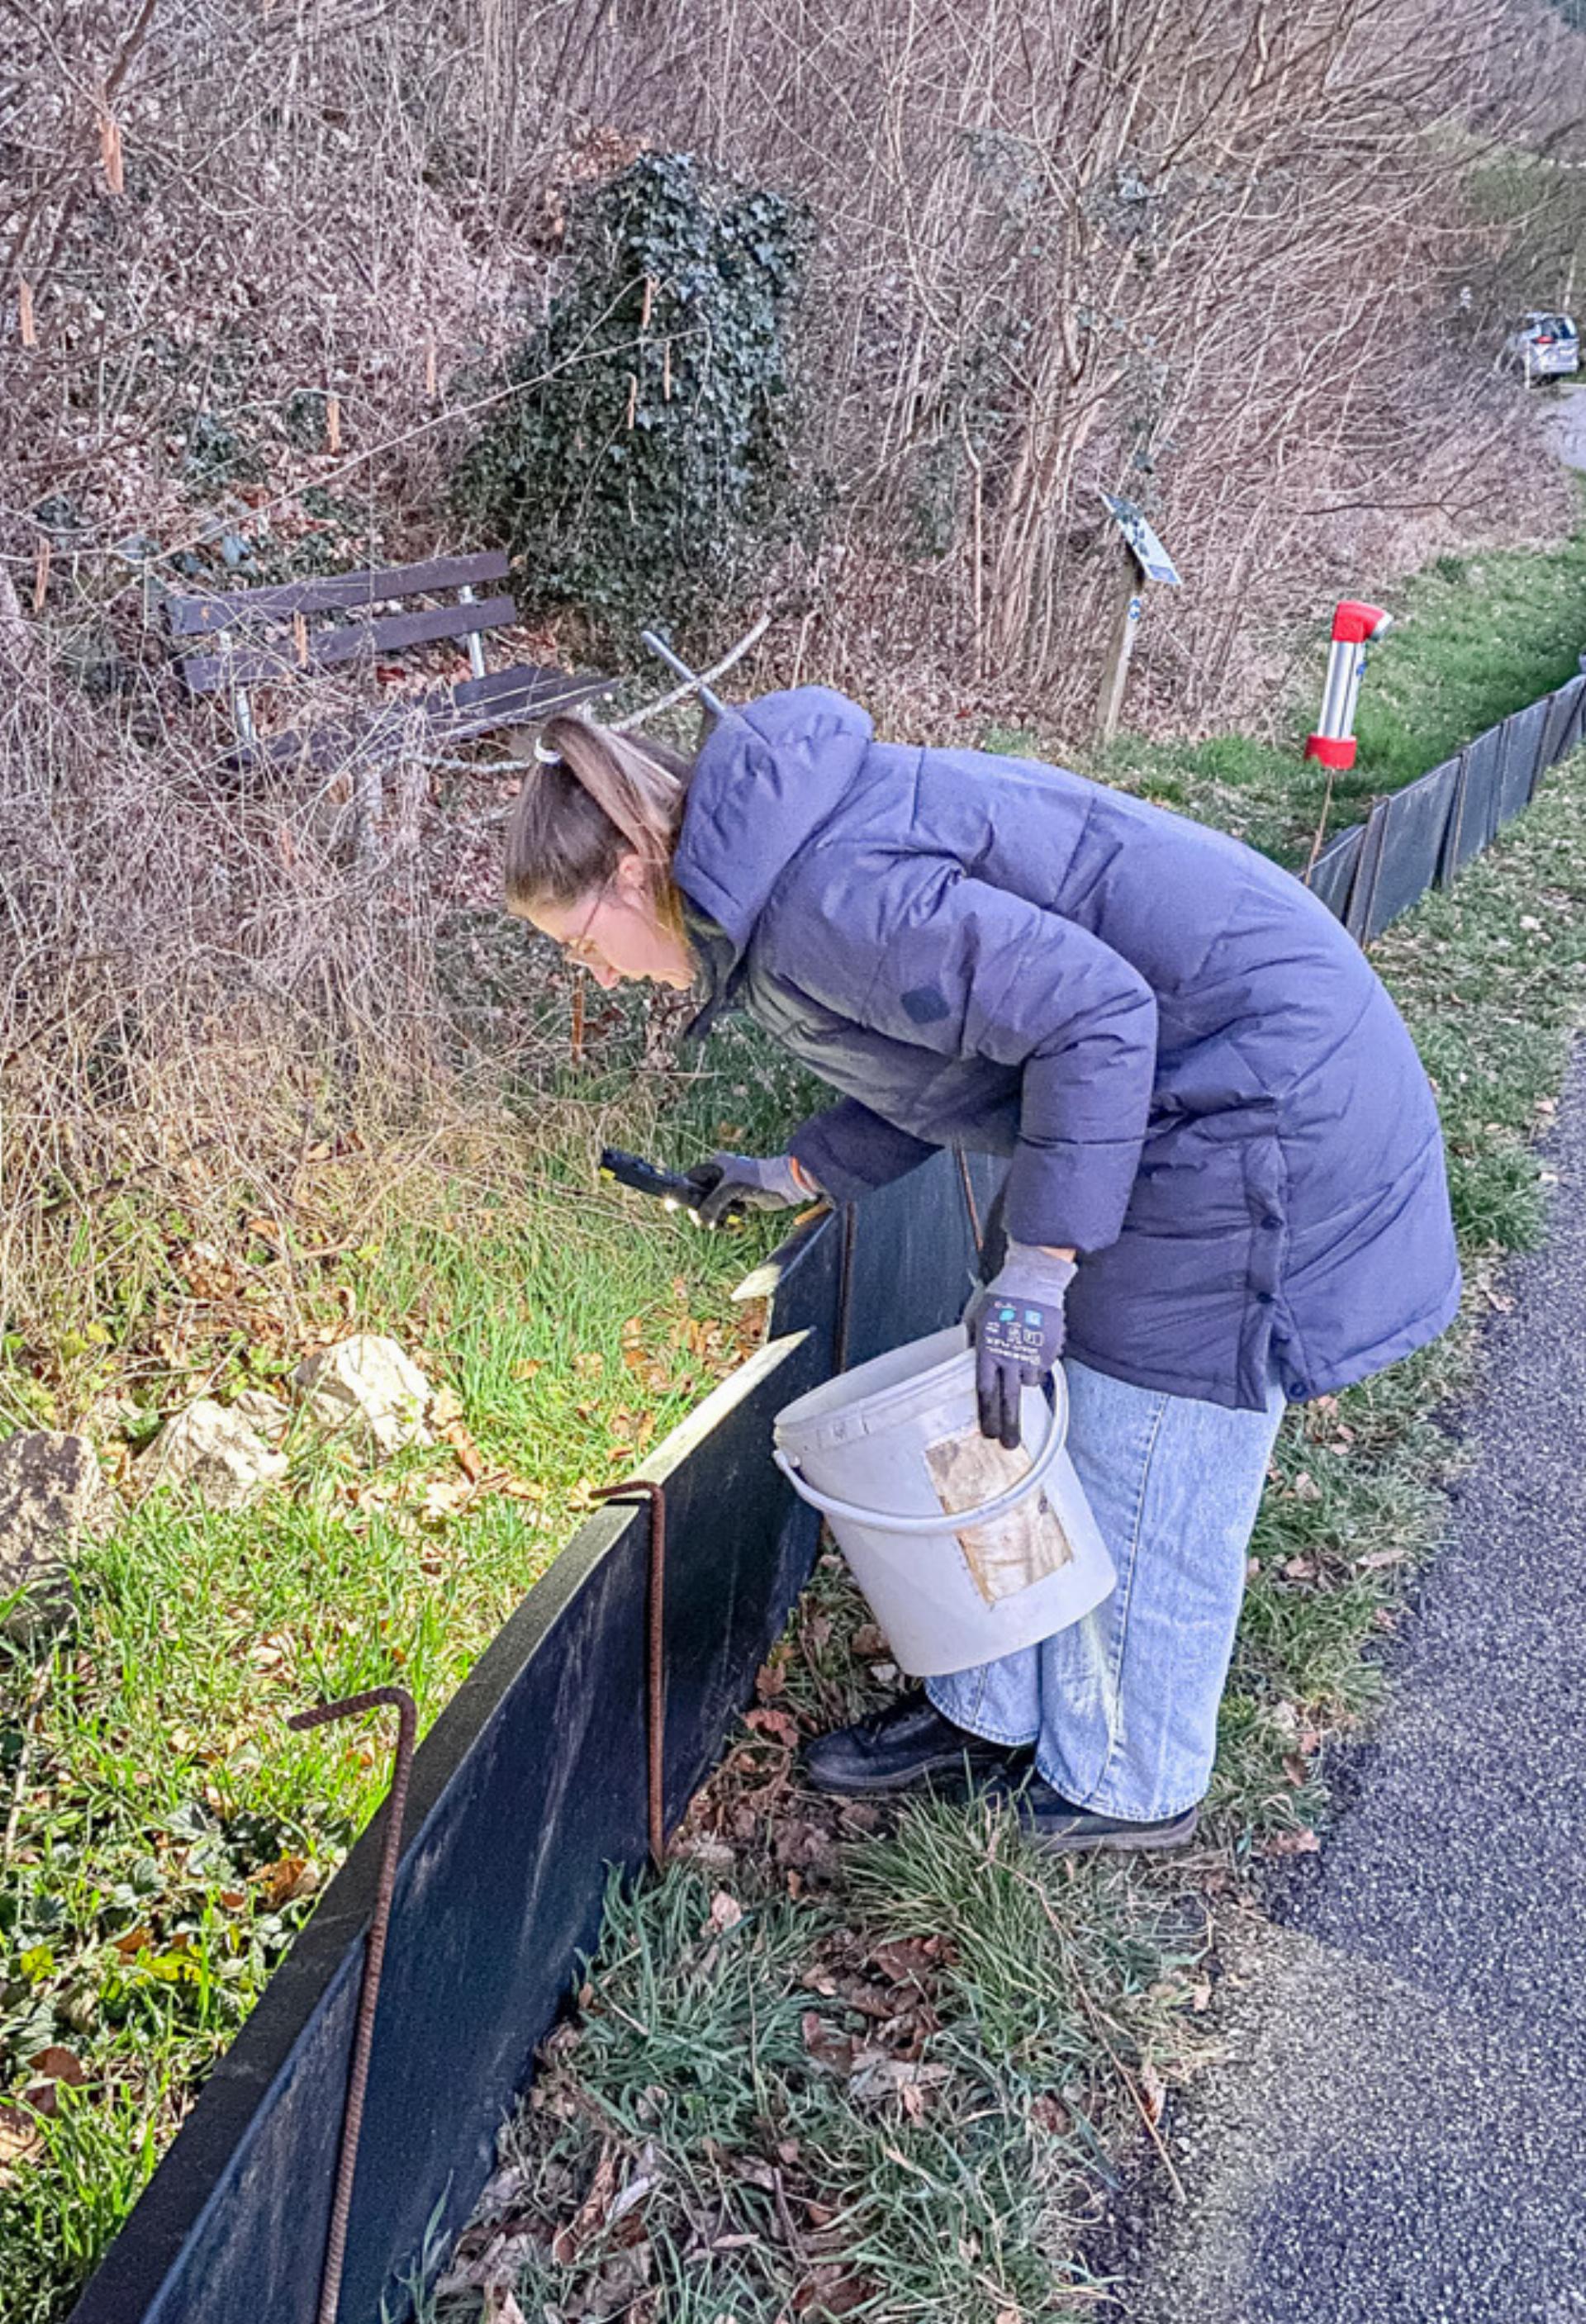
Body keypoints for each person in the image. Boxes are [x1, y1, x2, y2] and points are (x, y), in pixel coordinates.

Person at [505, 686, 1460, 1853]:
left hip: (1258, 1102)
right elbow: (950, 1042)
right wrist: (792, 1171)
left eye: (577, 943)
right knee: (1007, 1400)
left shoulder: (820, 898)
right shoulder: (777, 883)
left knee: (1145, 1437)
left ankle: (1126, 1777)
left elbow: (1098, 1019)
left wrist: (1044, 1270)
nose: (596, 977)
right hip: (1162, 1092)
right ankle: (991, 1706)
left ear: (633, 860)